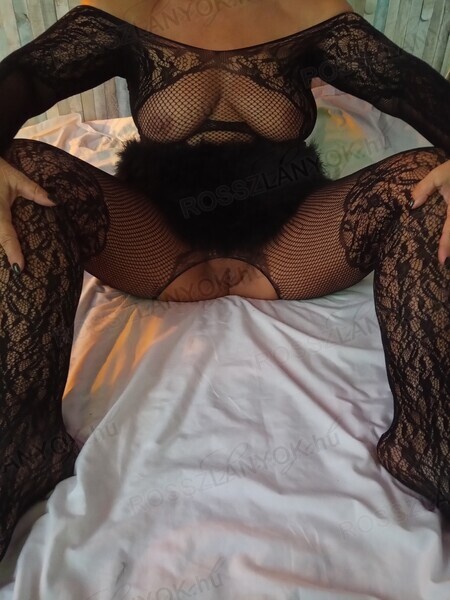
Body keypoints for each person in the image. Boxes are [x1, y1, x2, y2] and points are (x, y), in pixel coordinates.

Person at [0, 0, 449, 560]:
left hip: (288, 246)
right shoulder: (127, 8)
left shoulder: (310, 10)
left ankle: (428, 443)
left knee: (429, 179)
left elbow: (408, 88)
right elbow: (24, 79)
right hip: (157, 246)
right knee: (21, 173)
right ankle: (24, 443)